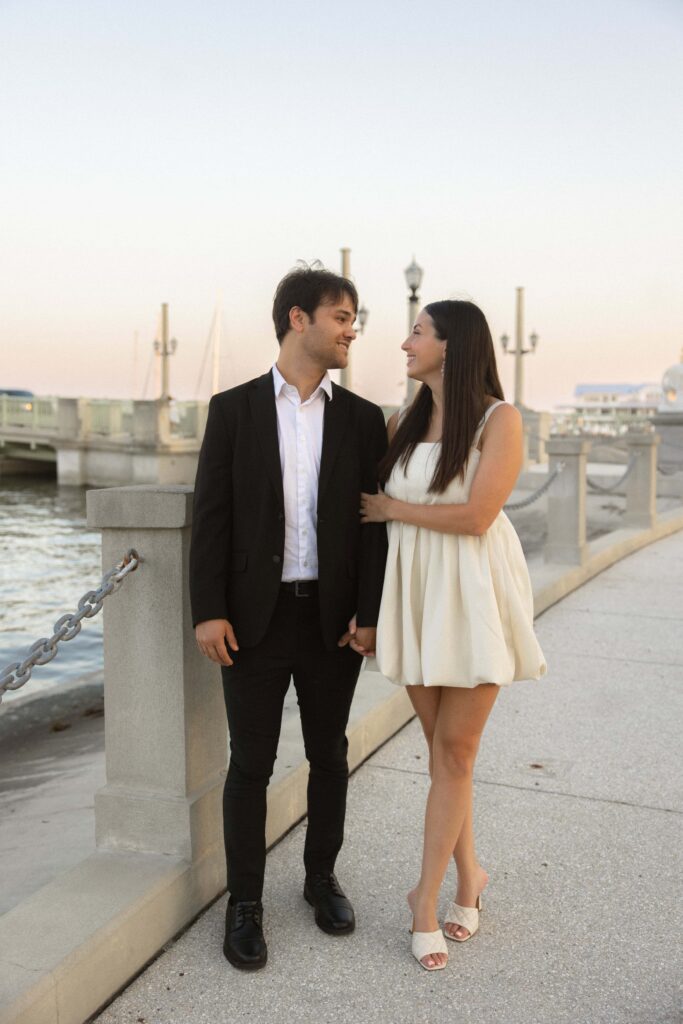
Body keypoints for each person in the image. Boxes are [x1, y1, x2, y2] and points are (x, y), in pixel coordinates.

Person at [190, 265, 388, 971]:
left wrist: (369, 612)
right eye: (341, 316)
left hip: (332, 622)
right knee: (250, 765)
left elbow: (371, 527)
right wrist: (207, 611)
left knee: (329, 755)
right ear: (297, 319)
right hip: (252, 621)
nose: (351, 329)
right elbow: (210, 518)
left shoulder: (363, 419)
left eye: (353, 318)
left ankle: (318, 878)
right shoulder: (234, 408)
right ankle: (244, 903)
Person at [360, 300, 546, 971]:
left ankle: (423, 898)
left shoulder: (500, 419)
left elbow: (475, 517)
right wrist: (367, 614)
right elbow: (370, 527)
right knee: (444, 756)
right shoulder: (400, 423)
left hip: (473, 596)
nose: (404, 342)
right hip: (413, 595)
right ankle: (472, 878)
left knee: (456, 753)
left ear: (451, 344)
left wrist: (392, 507)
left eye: (417, 332)